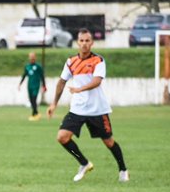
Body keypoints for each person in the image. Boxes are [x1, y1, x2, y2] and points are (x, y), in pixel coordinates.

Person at [47, 28, 129, 182]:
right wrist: (54, 104)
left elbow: (97, 81)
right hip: (77, 109)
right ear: (77, 43)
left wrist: (79, 89)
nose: (84, 44)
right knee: (62, 137)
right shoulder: (71, 62)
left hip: (97, 109)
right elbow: (61, 82)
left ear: (92, 43)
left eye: (87, 41)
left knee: (109, 142)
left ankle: (123, 170)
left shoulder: (98, 60)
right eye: (81, 41)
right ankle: (84, 163)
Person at [18, 52, 46, 121]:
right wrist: (20, 84)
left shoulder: (38, 67)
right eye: (31, 57)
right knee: (31, 100)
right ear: (29, 58)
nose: (32, 58)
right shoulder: (27, 66)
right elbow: (24, 75)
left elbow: (42, 76)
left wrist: (44, 86)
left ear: (35, 58)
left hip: (36, 86)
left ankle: (34, 114)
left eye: (33, 57)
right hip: (29, 86)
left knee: (34, 99)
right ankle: (36, 113)